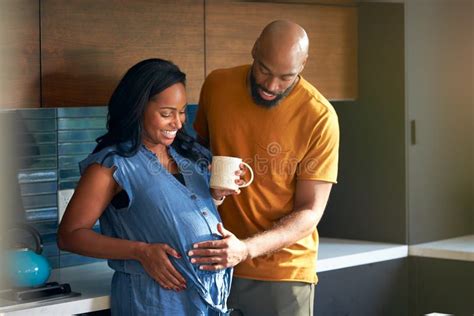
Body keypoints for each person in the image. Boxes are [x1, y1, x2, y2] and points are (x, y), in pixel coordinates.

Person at [57, 58, 235, 315]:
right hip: (154, 303)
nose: (178, 122)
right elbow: (69, 235)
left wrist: (216, 196)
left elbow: (179, 212)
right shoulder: (111, 166)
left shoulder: (188, 154)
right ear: (137, 109)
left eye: (182, 111)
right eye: (166, 113)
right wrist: (141, 252)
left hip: (207, 302)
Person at [190, 20, 340, 315]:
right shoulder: (217, 86)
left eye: (286, 77)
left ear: (304, 64)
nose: (272, 86)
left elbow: (310, 211)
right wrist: (208, 180)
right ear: (254, 49)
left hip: (283, 272)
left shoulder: (319, 117)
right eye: (264, 70)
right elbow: (196, 156)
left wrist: (246, 249)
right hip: (215, 264)